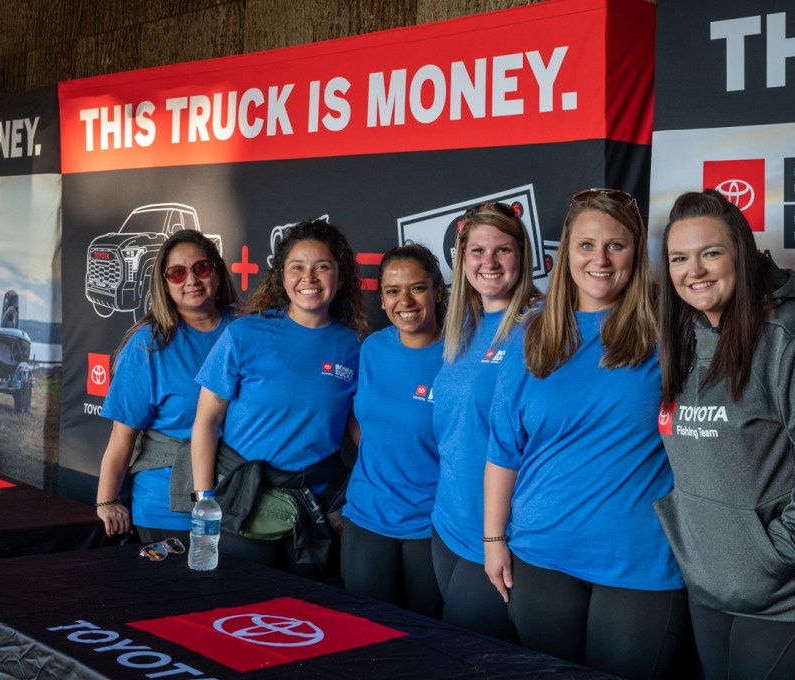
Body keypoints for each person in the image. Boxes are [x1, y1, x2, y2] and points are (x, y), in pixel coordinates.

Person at [654, 189, 795, 680]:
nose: (694, 271)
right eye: (679, 258)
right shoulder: (684, 336)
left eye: (711, 253)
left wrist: (774, 554)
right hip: (716, 582)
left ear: (743, 255)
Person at [483, 188, 690, 679]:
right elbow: (504, 449)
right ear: (565, 253)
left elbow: (741, 319)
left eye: (616, 245)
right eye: (586, 245)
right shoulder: (530, 335)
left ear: (636, 253)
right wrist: (493, 539)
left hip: (639, 560)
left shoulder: (672, 329)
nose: (600, 259)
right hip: (540, 555)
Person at [190, 219, 366, 577]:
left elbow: (360, 430)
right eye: (297, 267)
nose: (309, 278)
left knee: (306, 621)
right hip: (243, 503)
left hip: (317, 510)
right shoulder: (245, 334)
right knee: (241, 611)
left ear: (341, 278)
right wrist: (204, 500)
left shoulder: (354, 346)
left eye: (322, 267)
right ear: (282, 277)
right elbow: (206, 421)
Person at [430, 201, 540, 641]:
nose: (489, 263)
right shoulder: (462, 324)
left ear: (523, 257)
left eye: (503, 251)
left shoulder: (542, 327)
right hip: (448, 523)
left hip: (500, 537)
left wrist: (499, 538)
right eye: (477, 251)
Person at [96, 229, 238, 543]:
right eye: (177, 273)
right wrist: (107, 501)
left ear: (216, 271)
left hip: (241, 496)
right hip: (168, 504)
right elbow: (122, 436)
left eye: (201, 268)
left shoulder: (246, 328)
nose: (192, 280)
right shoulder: (148, 345)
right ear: (164, 283)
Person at [341, 243, 446, 617]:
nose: (406, 300)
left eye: (417, 287)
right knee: (366, 635)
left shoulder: (459, 355)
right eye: (392, 291)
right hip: (368, 516)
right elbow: (359, 415)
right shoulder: (372, 348)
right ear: (382, 300)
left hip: (431, 524)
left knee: (425, 642)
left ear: (437, 291)